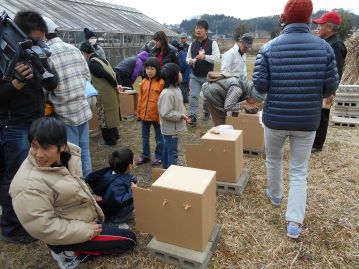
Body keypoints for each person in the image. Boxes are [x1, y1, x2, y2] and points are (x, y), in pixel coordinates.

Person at [252, 0, 339, 239]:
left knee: (274, 158)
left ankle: (276, 195)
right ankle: (294, 222)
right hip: (308, 120)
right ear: (310, 18)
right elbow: (330, 86)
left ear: (285, 18)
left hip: (275, 119)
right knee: (300, 170)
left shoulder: (268, 48)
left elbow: (260, 85)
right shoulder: (324, 48)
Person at [9, 117, 136, 268]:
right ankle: (66, 251)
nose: (38, 154)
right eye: (34, 146)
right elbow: (44, 227)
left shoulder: (68, 155)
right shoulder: (27, 185)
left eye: (45, 147)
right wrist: (86, 230)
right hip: (67, 231)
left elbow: (75, 187)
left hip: (76, 215)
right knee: (129, 240)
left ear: (61, 146)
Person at [0, 10, 58, 244]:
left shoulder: (34, 53)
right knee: (14, 176)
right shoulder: (6, 56)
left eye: (42, 39)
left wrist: (47, 73)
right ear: (21, 36)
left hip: (35, 121)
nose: (40, 44)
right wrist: (16, 82)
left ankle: (31, 213)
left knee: (35, 171)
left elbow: (50, 83)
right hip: (14, 125)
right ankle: (12, 227)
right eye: (35, 40)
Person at [44, 17, 93, 178]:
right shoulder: (74, 49)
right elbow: (87, 76)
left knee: (71, 153)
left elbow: (46, 87)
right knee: (83, 149)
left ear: (43, 34)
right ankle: (88, 181)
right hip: (82, 106)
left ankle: (78, 185)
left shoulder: (46, 55)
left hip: (64, 111)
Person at [312, 10, 347, 153]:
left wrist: (330, 91)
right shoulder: (327, 42)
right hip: (319, 85)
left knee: (323, 114)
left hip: (326, 87)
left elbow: (336, 71)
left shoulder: (336, 45)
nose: (318, 28)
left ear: (330, 28)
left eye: (321, 25)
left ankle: (317, 144)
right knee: (317, 113)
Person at [79, 41, 121, 146]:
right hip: (110, 91)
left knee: (104, 118)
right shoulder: (102, 59)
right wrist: (116, 85)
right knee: (111, 114)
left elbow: (106, 75)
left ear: (85, 53)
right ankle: (115, 136)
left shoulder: (92, 63)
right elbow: (114, 72)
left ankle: (110, 141)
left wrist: (116, 85)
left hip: (104, 93)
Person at [85, 147, 137, 228]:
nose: (135, 160)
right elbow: (120, 201)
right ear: (130, 166)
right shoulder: (116, 184)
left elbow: (128, 177)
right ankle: (116, 222)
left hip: (113, 205)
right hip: (113, 210)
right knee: (132, 201)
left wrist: (133, 180)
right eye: (133, 159)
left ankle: (125, 215)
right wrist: (133, 191)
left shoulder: (118, 171)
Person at [186, 20, 220, 126]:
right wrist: (190, 61)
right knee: (193, 96)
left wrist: (205, 57)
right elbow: (187, 58)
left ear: (206, 30)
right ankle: (192, 117)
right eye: (196, 28)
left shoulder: (212, 43)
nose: (197, 30)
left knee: (206, 99)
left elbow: (217, 58)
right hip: (194, 75)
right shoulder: (192, 44)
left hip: (208, 76)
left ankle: (207, 112)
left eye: (200, 28)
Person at [158, 63, 190, 169]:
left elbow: (178, 106)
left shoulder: (177, 90)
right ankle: (172, 171)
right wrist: (180, 115)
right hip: (170, 129)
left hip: (174, 127)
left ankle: (166, 168)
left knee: (168, 148)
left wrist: (183, 114)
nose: (181, 74)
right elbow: (166, 113)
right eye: (179, 72)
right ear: (173, 76)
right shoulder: (167, 94)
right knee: (173, 151)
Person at [136, 58, 165, 166]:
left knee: (159, 138)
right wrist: (139, 113)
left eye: (152, 69)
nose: (149, 71)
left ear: (157, 69)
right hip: (145, 116)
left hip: (157, 117)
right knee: (144, 137)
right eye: (147, 68)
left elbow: (163, 102)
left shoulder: (162, 83)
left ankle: (159, 156)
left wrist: (160, 117)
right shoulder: (143, 82)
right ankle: (145, 155)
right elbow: (140, 99)